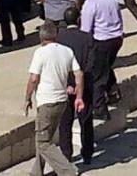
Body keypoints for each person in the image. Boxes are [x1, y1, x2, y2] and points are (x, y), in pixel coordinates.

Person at [25, 21, 84, 176]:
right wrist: (79, 95)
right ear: (56, 35)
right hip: (62, 101)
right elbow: (78, 74)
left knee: (43, 142)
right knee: (45, 137)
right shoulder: (67, 51)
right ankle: (37, 171)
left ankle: (68, 170)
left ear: (41, 37)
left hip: (47, 102)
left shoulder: (40, 53)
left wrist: (27, 98)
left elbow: (33, 79)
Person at [81, 0, 123, 119]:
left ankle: (100, 108)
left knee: (97, 75)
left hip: (101, 40)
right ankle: (113, 91)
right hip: (116, 38)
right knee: (105, 66)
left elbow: (86, 28)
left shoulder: (90, 3)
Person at [56, 6, 94, 163]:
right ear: (79, 19)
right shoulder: (87, 38)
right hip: (84, 84)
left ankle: (66, 154)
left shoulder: (59, 39)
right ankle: (87, 153)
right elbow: (91, 63)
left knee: (65, 122)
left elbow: (57, 65)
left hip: (65, 86)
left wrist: (66, 83)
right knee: (85, 120)